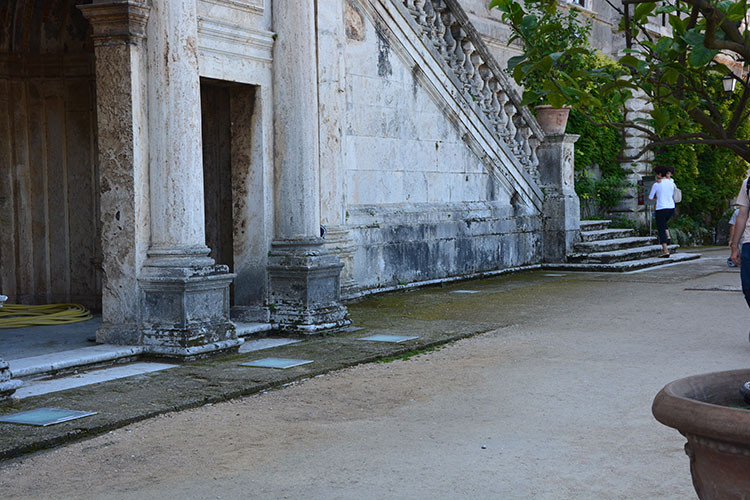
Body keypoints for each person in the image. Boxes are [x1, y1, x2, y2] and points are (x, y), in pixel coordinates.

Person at [730, 177, 750, 309]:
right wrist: (734, 245)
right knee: (748, 288)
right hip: (749, 241)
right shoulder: (748, 183)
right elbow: (742, 215)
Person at [648, 165, 676, 258]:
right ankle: (668, 237)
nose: (656, 176)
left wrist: (657, 195)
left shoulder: (656, 184)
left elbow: (650, 197)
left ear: (660, 174)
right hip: (671, 207)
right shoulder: (671, 183)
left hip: (661, 208)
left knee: (661, 229)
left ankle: (665, 250)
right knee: (664, 223)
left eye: (656, 174)